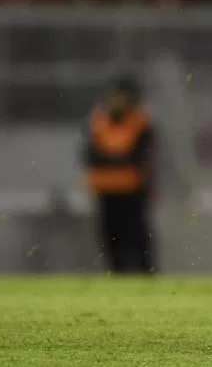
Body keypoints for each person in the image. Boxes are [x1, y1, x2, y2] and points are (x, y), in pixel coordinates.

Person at [82, 74, 156, 274]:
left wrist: (111, 158)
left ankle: (145, 275)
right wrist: (117, 158)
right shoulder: (98, 120)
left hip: (132, 190)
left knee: (137, 238)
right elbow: (90, 155)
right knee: (110, 239)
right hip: (106, 190)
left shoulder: (140, 121)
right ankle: (117, 276)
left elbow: (140, 156)